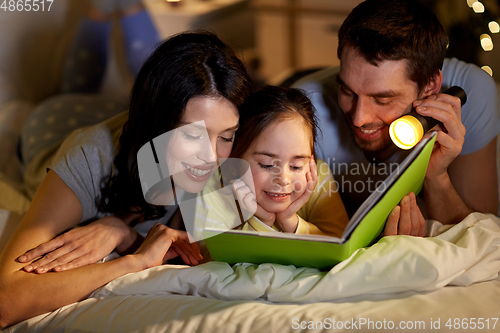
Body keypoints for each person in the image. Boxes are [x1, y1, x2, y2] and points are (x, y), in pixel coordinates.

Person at [0, 31, 253, 328]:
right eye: (190, 134)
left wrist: (122, 232)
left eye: (225, 136)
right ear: (156, 126)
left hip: (119, 112)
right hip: (50, 126)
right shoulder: (91, 155)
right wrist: (134, 262)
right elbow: (7, 301)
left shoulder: (235, 155)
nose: (210, 157)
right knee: (67, 92)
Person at [292, 0, 500, 235]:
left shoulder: (471, 91)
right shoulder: (306, 109)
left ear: (431, 85)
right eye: (348, 91)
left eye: (382, 99)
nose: (360, 118)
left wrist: (436, 176)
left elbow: (483, 237)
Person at [228, 86, 349, 236]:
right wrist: (261, 222)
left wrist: (291, 222)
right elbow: (203, 254)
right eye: (267, 164)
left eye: (296, 166)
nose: (283, 179)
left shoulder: (317, 177)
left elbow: (340, 245)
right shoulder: (217, 184)